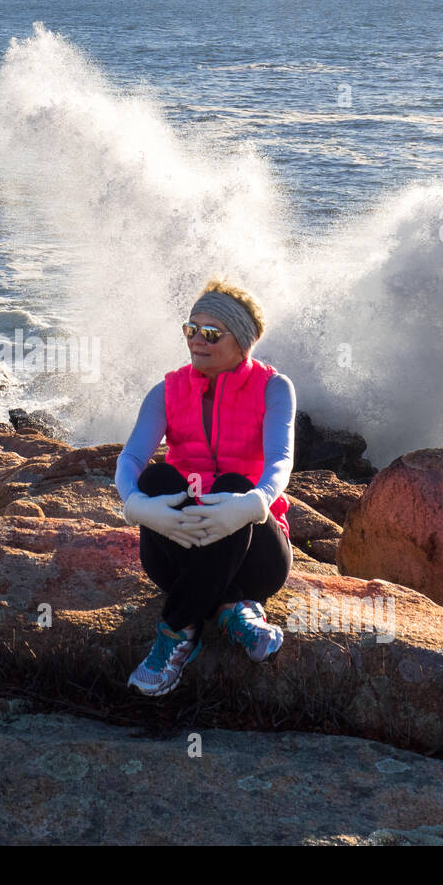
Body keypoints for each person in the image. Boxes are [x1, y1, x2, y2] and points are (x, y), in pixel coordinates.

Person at [114, 276, 296, 697]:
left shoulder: (273, 388)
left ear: (243, 342)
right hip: (177, 546)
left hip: (257, 554)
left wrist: (253, 503)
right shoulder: (168, 390)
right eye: (190, 329)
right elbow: (131, 459)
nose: (197, 340)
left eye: (211, 333)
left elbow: (280, 462)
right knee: (157, 477)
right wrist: (135, 505)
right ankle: (232, 612)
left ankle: (176, 631)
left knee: (234, 484)